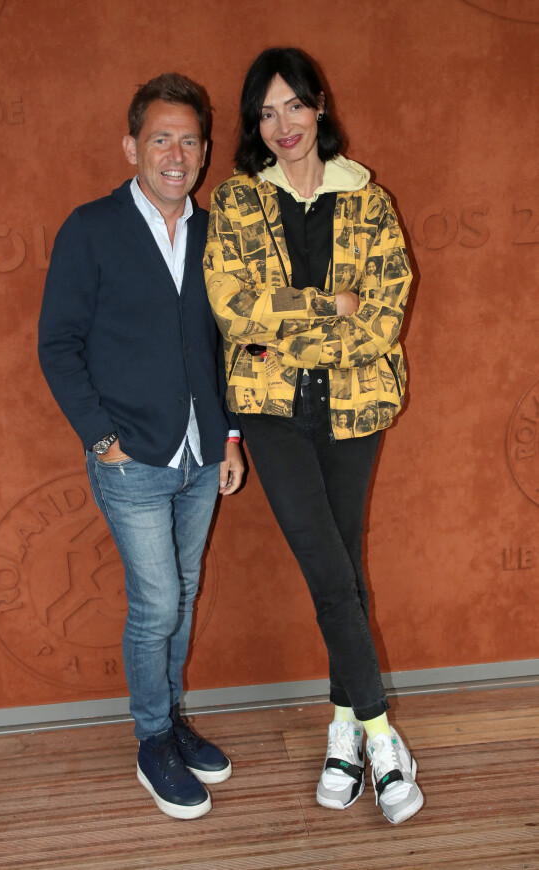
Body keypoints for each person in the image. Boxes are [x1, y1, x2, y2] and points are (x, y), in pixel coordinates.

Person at [204, 47, 423, 825]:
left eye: (293, 105)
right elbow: (234, 308)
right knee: (331, 573)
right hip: (271, 416)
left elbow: (386, 312)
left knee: (345, 571)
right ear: (253, 124)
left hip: (354, 408)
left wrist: (293, 322)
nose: (282, 124)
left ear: (320, 104)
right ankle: (380, 735)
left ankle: (340, 734)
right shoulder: (236, 201)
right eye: (265, 112)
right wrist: (333, 306)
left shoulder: (368, 198)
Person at [38, 73, 243, 821]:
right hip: (133, 461)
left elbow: (224, 345)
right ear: (132, 146)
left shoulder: (218, 232)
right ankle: (152, 736)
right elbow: (57, 345)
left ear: (204, 151)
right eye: (161, 137)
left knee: (181, 598)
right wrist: (104, 439)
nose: (176, 153)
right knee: (156, 603)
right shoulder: (90, 228)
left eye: (190, 140)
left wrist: (228, 438)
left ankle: (172, 717)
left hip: (199, 459)